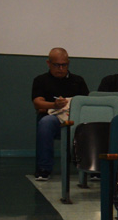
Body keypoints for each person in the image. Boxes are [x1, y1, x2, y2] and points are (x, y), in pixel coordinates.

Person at [31, 47, 90, 180]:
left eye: (64, 65)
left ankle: (93, 168)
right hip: (54, 120)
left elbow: (86, 102)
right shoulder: (41, 80)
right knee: (46, 122)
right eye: (57, 65)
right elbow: (37, 103)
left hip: (75, 120)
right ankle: (44, 169)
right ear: (48, 63)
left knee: (92, 125)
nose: (61, 69)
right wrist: (54, 105)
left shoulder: (78, 81)